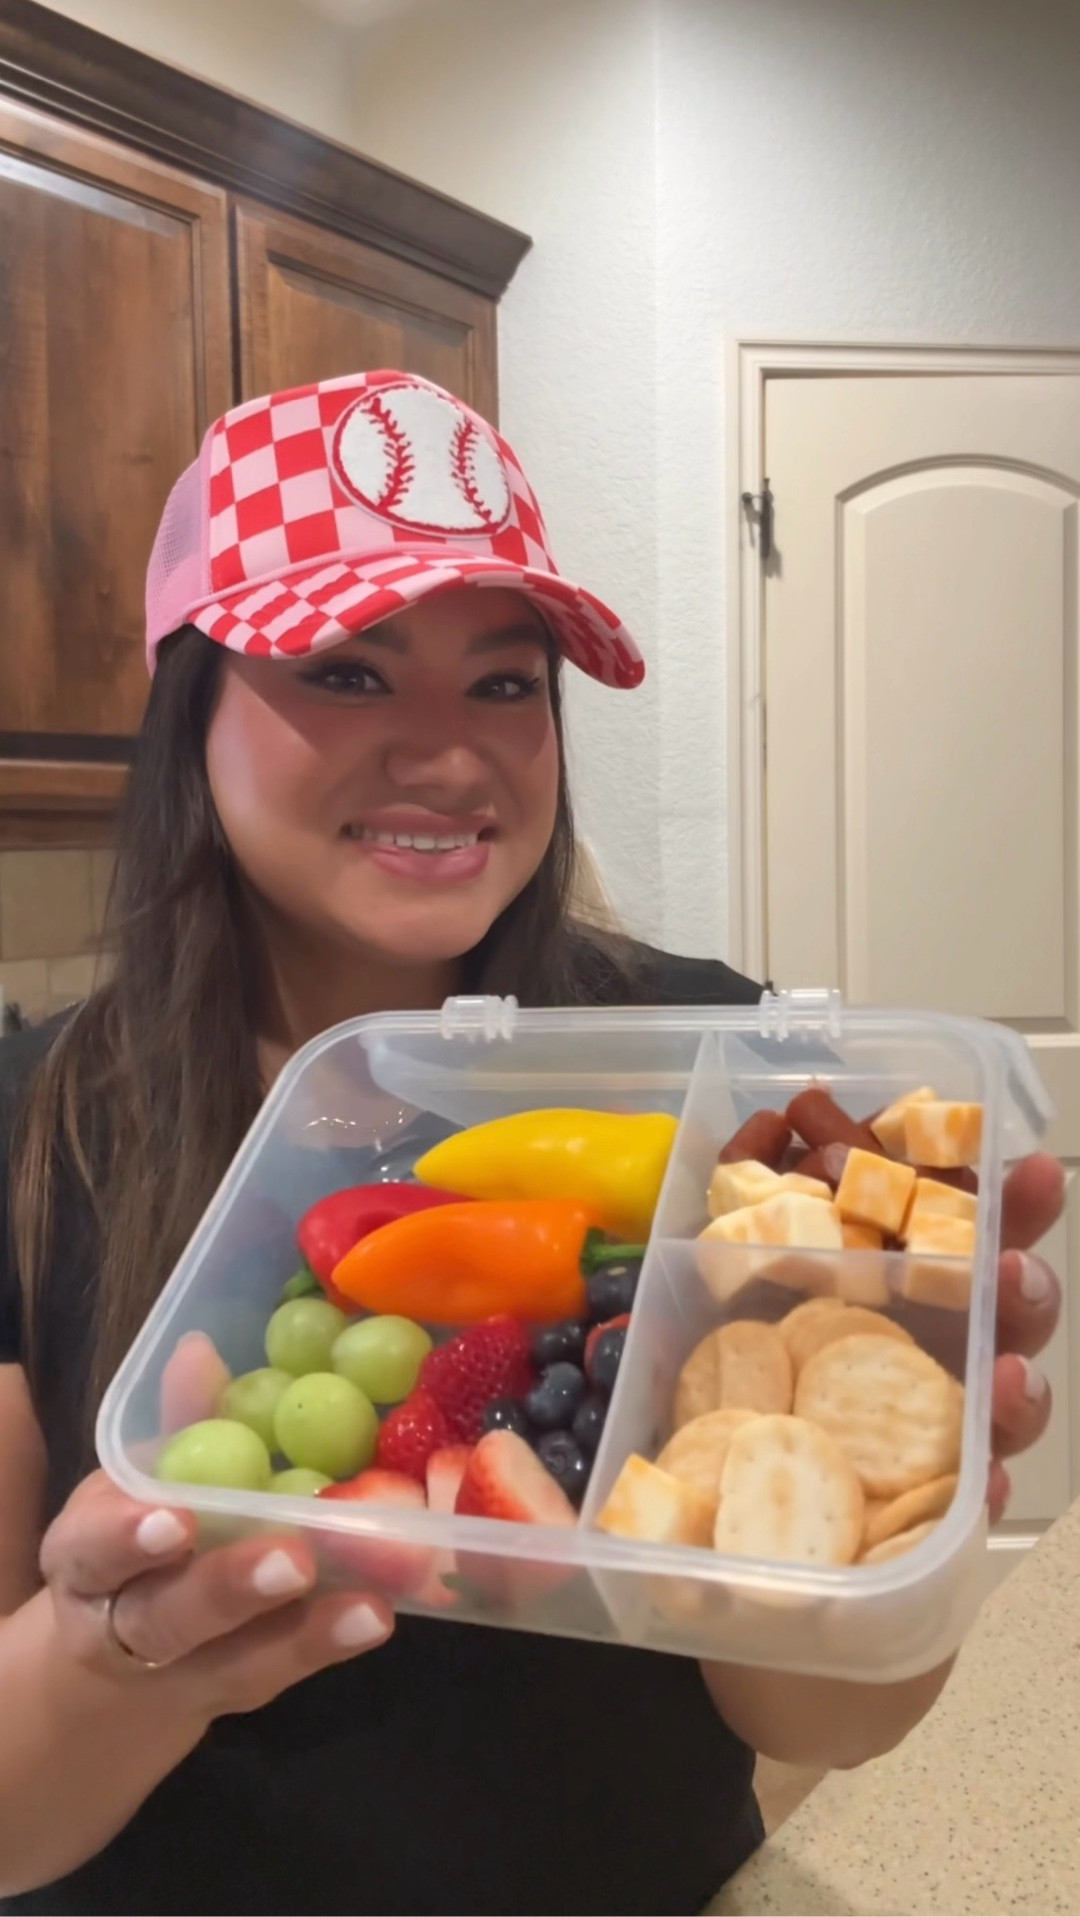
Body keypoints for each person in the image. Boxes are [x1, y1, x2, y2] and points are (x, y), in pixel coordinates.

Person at [0, 370, 1061, 1917]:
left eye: (507, 684)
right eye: (350, 672)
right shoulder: (37, 1128)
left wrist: (883, 1553)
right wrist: (120, 1661)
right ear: (190, 700)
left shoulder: (721, 1066)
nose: (450, 751)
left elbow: (828, 1721)